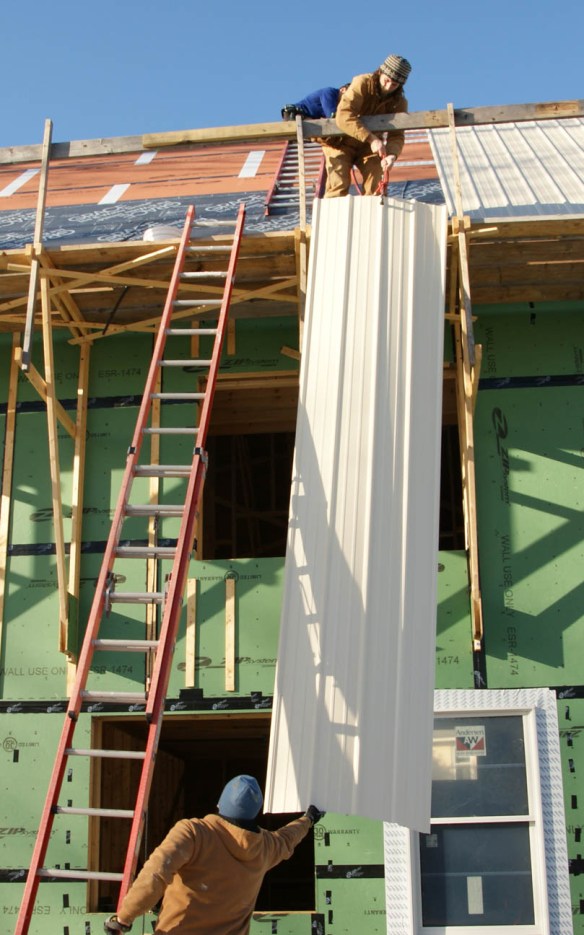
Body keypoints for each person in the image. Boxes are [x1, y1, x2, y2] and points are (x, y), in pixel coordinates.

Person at [103, 774, 325, 934]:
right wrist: (308, 819)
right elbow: (287, 838)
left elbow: (157, 871)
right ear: (256, 812)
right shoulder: (265, 847)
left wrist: (124, 918)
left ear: (219, 803)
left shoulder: (194, 832)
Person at [321, 54, 411, 197]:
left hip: (367, 150)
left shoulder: (399, 102)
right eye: (387, 80)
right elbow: (343, 116)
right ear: (381, 72)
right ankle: (333, 218)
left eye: (394, 84)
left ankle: (374, 217)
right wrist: (372, 139)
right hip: (339, 143)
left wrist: (392, 155)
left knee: (376, 179)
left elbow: (397, 135)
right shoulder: (362, 83)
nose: (388, 87)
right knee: (338, 184)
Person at [281, 83, 350, 121]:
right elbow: (332, 117)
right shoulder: (330, 92)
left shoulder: (336, 105)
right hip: (295, 114)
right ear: (343, 90)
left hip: (303, 117)